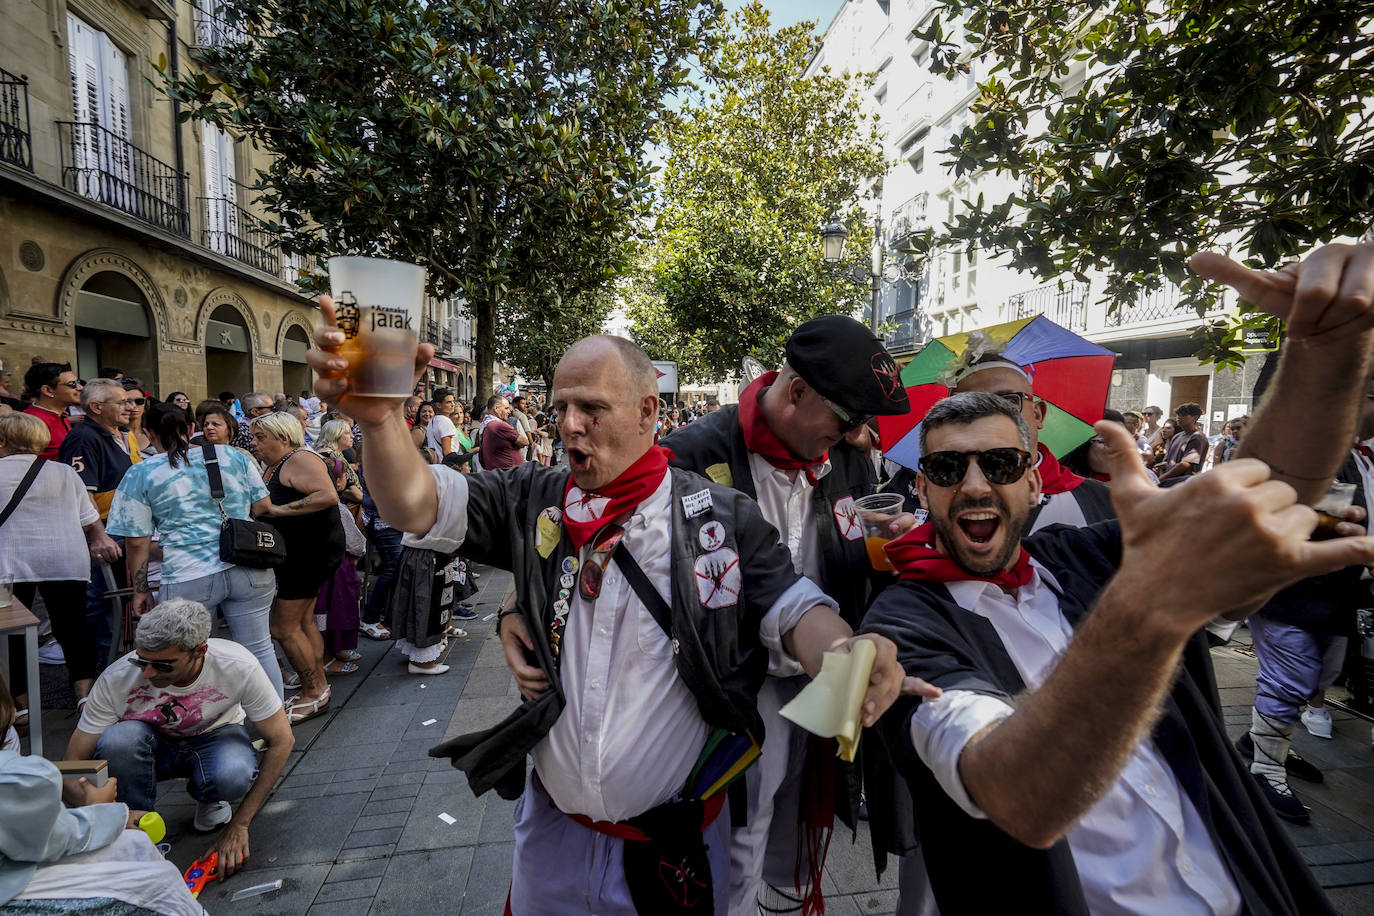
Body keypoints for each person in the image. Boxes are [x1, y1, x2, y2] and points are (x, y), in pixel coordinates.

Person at [306, 319, 921, 914]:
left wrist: (848, 655)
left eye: (592, 408)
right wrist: (380, 420)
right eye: (561, 407)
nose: (570, 425)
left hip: (673, 853)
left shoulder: (723, 518)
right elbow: (416, 504)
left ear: (648, 413)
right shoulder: (534, 496)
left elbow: (795, 609)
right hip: (551, 839)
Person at [860, 242, 1374, 915]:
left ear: (1034, 471)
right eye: (950, 471)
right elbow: (1014, 791)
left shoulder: (1084, 557)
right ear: (922, 489)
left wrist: (1324, 359)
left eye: (1003, 465)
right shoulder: (903, 624)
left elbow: (1265, 488)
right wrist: (1147, 609)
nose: (977, 487)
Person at [661, 314, 912, 914]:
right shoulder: (691, 455)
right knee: (738, 832)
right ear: (796, 391)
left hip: (827, 672)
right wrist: (519, 603)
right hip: (737, 688)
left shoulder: (848, 458)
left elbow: (856, 556)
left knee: (807, 820)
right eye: (848, 416)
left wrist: (903, 544)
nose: (859, 431)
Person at [63, 600, 294, 879]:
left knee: (235, 772)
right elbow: (71, 766)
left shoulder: (238, 664)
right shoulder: (117, 678)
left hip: (215, 738)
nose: (147, 673)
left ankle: (211, 796)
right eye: (141, 660)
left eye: (162, 665)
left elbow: (282, 740)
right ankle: (140, 828)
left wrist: (241, 825)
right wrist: (111, 818)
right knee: (118, 740)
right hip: (148, 746)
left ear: (200, 651)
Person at [105, 400, 284, 698]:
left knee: (194, 656)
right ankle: (275, 723)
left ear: (148, 433)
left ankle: (212, 724)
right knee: (259, 647)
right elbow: (262, 506)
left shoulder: (142, 473)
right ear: (191, 428)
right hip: (248, 564)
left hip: (188, 573)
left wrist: (140, 589)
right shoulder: (232, 455)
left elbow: (136, 541)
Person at [0, 413, 120, 733]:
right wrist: (100, 538)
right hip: (63, 557)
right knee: (72, 626)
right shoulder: (65, 472)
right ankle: (84, 697)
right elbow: (88, 517)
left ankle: (21, 706)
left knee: (12, 634)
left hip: (9, 561)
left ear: (3, 440)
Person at [0, 750, 206, 915]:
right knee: (161, 882)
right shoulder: (12, 773)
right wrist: (99, 809)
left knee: (134, 843)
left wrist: (110, 815)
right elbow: (48, 839)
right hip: (11, 891)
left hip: (15, 864)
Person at [250, 412, 345, 724]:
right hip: (304, 554)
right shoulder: (280, 463)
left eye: (260, 437)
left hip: (306, 555)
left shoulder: (299, 458)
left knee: (282, 627)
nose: (254, 443)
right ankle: (319, 687)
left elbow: (327, 496)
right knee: (303, 623)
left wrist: (276, 510)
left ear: (283, 437)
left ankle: (314, 692)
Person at [952, 355, 1114, 531]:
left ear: (1038, 414)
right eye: (969, 407)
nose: (989, 417)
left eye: (1008, 402)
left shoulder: (1101, 501)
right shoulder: (939, 496)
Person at [60, 378, 138, 663]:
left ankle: (113, 659)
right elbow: (82, 492)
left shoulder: (119, 433)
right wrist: (98, 535)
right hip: (103, 532)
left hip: (122, 529)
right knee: (99, 601)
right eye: (121, 402)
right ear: (96, 407)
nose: (129, 407)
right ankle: (92, 669)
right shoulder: (84, 438)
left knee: (116, 600)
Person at [22, 362, 80, 460]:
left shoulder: (59, 415)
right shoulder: (32, 422)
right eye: (72, 384)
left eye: (77, 382)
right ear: (48, 390)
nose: (80, 388)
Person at [1156, 402, 1210, 484]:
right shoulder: (1177, 436)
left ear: (1194, 417)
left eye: (1183, 415)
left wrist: (1162, 478)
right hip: (1170, 482)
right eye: (1178, 415)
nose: (1179, 418)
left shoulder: (1197, 437)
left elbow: (1185, 464)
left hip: (1184, 483)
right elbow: (1169, 460)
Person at [478, 395, 528, 469]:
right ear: (496, 408)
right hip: (508, 474)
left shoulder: (487, 423)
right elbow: (525, 442)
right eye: (506, 408)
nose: (509, 411)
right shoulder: (499, 425)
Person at [425, 388, 462, 458]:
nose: (453, 404)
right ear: (439, 405)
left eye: (453, 401)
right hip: (446, 466)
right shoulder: (445, 421)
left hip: (435, 464)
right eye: (448, 402)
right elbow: (447, 452)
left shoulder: (433, 421)